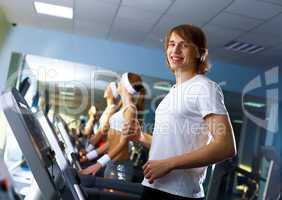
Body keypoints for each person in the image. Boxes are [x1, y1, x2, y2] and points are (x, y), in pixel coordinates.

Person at [123, 24, 237, 200]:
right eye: (171, 43)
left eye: (184, 45)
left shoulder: (204, 87)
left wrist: (170, 164)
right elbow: (175, 144)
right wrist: (141, 137)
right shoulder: (175, 91)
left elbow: (226, 146)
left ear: (200, 53)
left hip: (178, 194)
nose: (175, 49)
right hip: (154, 186)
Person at [80, 72, 146, 182]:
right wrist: (89, 156)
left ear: (125, 85)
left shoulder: (130, 110)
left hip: (120, 167)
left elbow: (123, 143)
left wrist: (98, 164)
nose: (118, 84)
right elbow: (111, 142)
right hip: (112, 163)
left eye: (120, 81)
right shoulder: (123, 109)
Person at [79, 82, 121, 163]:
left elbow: (101, 132)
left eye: (108, 88)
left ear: (112, 93)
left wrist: (87, 150)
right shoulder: (108, 109)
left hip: (103, 153)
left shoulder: (112, 110)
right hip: (98, 150)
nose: (105, 89)